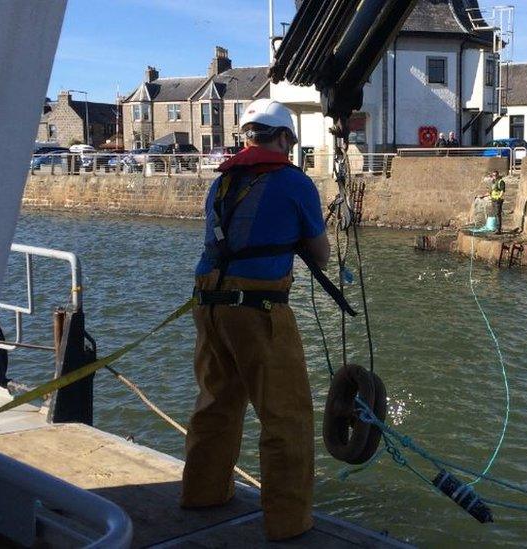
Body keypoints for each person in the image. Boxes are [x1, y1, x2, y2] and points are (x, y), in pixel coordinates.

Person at [181, 98, 331, 541]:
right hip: (258, 309)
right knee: (286, 416)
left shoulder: (221, 184)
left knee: (216, 402)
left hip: (208, 304)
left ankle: (203, 493)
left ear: (247, 137)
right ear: (283, 138)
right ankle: (288, 522)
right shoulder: (293, 181)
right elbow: (320, 257)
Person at [488, 169, 506, 234]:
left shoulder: (501, 182)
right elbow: (491, 191)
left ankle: (498, 229)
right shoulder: (493, 182)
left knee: (498, 214)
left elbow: (502, 190)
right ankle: (495, 228)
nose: (494, 176)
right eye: (493, 175)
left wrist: (499, 197)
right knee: (494, 214)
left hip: (498, 201)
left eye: (495, 175)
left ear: (498, 175)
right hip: (493, 200)